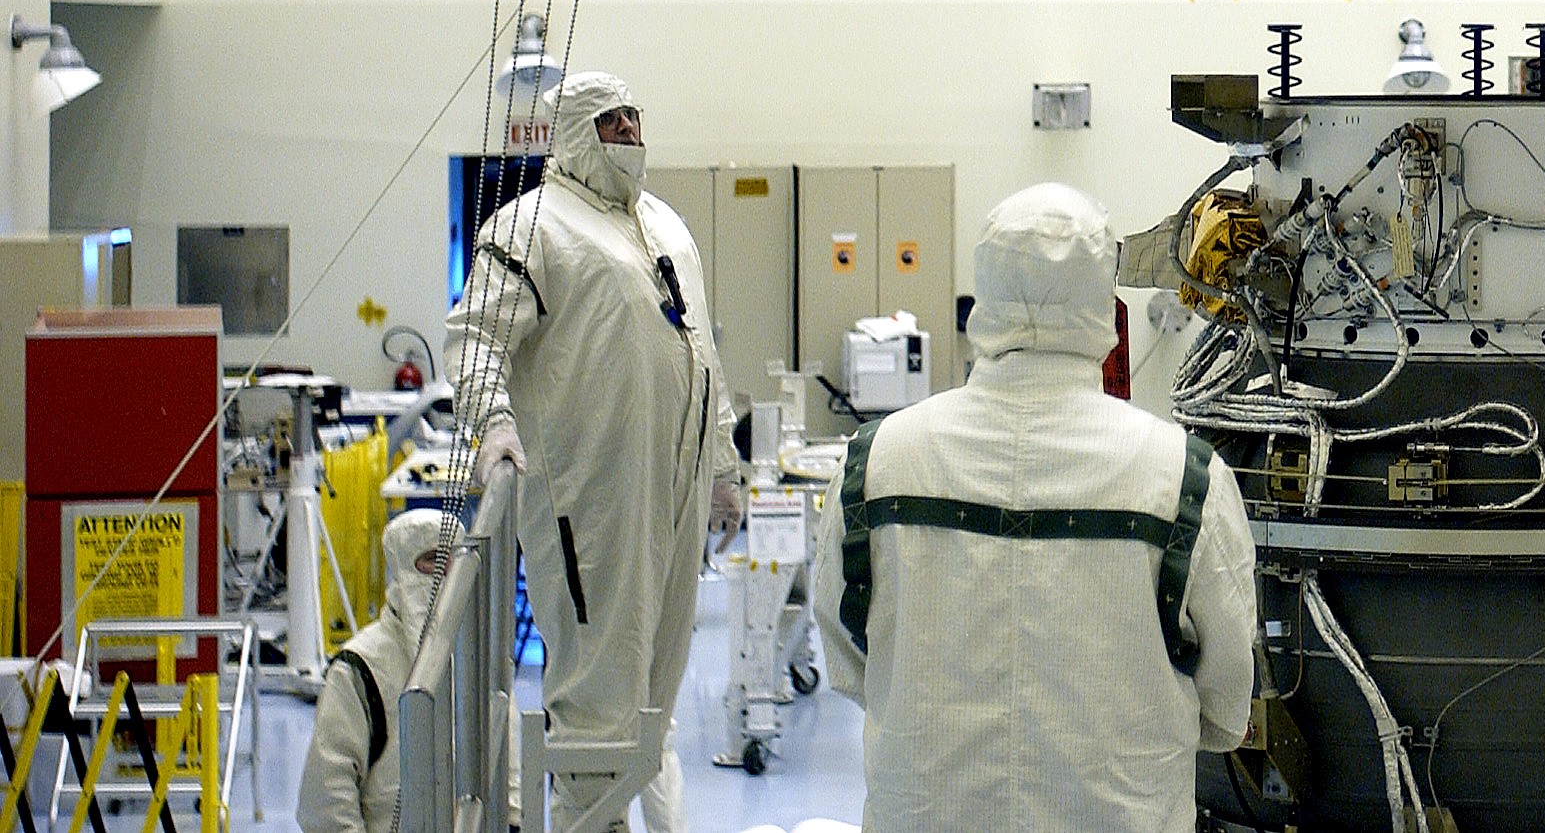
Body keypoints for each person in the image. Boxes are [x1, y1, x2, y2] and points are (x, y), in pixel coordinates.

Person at [816, 184, 1258, 833]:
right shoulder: (1184, 475)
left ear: (985, 290)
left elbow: (852, 665)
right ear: (1100, 298)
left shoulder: (876, 460)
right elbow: (1224, 708)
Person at [446, 72, 743, 833]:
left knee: (655, 691)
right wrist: (494, 424)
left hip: (670, 496)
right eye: (613, 121)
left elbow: (702, 351)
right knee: (596, 699)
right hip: (590, 503)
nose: (630, 132)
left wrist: (722, 466)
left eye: (636, 117)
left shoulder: (667, 226)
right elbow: (477, 333)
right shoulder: (532, 225)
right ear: (578, 130)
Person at [301, 510, 473, 833]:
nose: (445, 572)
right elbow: (325, 798)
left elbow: (508, 765)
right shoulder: (360, 667)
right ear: (404, 566)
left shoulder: (472, 653)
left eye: (453, 560)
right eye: (432, 559)